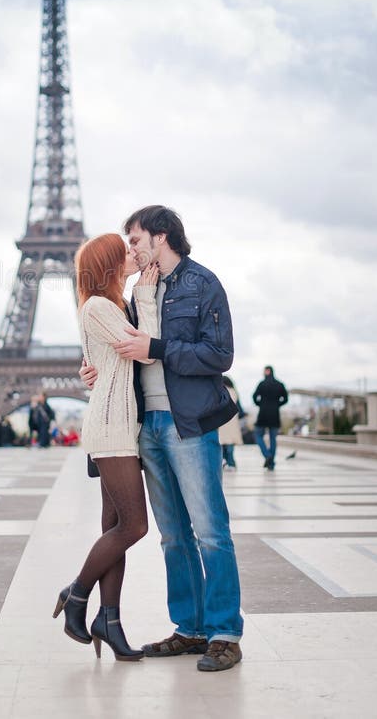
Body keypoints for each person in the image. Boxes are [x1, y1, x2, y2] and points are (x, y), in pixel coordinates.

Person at [81, 206, 243, 671]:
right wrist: (92, 371)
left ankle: (225, 633)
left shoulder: (203, 283)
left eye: (135, 239)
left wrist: (157, 349)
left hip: (187, 422)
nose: (130, 249)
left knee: (211, 532)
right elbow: (121, 349)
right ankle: (190, 628)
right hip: (145, 426)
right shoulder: (137, 292)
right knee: (173, 536)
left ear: (161, 235)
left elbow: (220, 355)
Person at [54, 233, 159, 661]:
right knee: (134, 527)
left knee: (114, 528)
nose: (134, 255)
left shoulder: (109, 308)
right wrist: (147, 295)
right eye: (127, 252)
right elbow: (148, 352)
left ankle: (109, 621)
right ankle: (77, 593)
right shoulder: (100, 307)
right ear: (111, 263)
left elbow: (108, 362)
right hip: (112, 428)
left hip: (116, 425)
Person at [252, 365, 289, 471]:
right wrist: (278, 404)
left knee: (258, 435)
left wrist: (260, 404)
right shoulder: (279, 384)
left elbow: (254, 397)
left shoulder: (262, 384)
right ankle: (271, 463)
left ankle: (267, 455)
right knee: (273, 439)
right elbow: (285, 398)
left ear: (266, 372)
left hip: (263, 414)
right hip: (274, 415)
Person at [219, 377, 244, 470]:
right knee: (230, 443)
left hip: (222, 420)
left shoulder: (220, 391)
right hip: (232, 420)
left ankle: (224, 462)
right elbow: (239, 408)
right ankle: (232, 463)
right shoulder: (234, 392)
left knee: (222, 442)